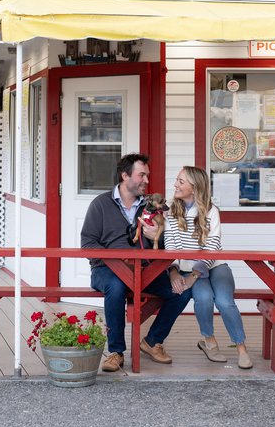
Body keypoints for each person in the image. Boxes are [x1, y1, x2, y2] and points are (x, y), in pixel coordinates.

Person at [81, 153, 192, 372]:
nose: (147, 181)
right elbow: (88, 243)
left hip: (146, 271)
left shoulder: (154, 206)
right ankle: (116, 352)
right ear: (125, 175)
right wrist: (114, 261)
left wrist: (173, 270)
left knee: (184, 290)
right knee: (116, 285)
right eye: (142, 175)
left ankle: (152, 342)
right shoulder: (100, 204)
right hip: (107, 270)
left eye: (147, 176)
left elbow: (169, 243)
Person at [164, 165, 252, 369]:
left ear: (194, 188)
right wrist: (174, 271)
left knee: (224, 302)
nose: (175, 184)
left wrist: (194, 275)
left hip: (214, 265)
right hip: (187, 267)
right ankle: (209, 341)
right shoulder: (171, 211)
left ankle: (241, 348)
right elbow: (171, 245)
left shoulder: (211, 210)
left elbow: (212, 245)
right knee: (203, 299)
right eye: (177, 180)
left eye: (180, 181)